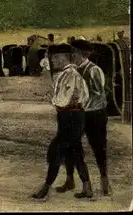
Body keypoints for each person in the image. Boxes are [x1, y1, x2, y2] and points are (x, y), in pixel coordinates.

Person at [32, 44, 92, 200]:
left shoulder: (70, 75)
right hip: (70, 116)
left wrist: (53, 100)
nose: (53, 60)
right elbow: (82, 96)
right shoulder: (68, 74)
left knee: (55, 151)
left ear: (64, 57)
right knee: (75, 151)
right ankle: (85, 186)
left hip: (71, 117)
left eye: (56, 57)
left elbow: (62, 100)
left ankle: (45, 187)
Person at [56, 40, 109, 195]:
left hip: (94, 114)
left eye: (74, 52)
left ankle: (104, 182)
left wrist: (81, 103)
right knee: (71, 147)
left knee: (98, 147)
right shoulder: (73, 70)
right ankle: (71, 179)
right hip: (77, 114)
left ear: (81, 54)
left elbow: (99, 94)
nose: (72, 55)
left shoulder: (94, 70)